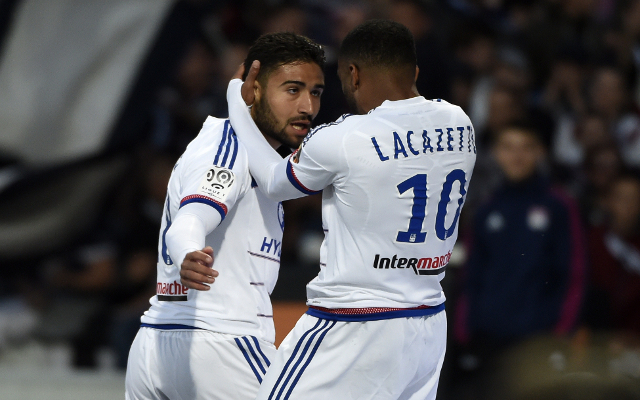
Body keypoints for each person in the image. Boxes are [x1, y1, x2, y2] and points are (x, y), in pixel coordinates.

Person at [227, 20, 476, 400]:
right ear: (415, 73)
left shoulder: (345, 137)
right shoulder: (460, 123)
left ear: (353, 74)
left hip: (356, 321)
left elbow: (274, 183)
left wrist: (237, 104)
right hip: (427, 322)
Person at [125, 32, 325, 400]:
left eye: (315, 92)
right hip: (221, 346)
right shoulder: (228, 148)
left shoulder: (243, 151)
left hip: (158, 343)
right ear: (254, 86)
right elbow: (192, 219)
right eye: (293, 90)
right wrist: (188, 251)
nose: (307, 107)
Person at [452, 123, 585, 399]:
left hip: (537, 339)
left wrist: (561, 332)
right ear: (496, 154)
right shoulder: (485, 208)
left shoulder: (558, 205)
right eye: (508, 148)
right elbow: (471, 273)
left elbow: (574, 273)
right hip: (487, 334)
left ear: (540, 153)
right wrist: (464, 328)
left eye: (526, 148)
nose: (517, 156)